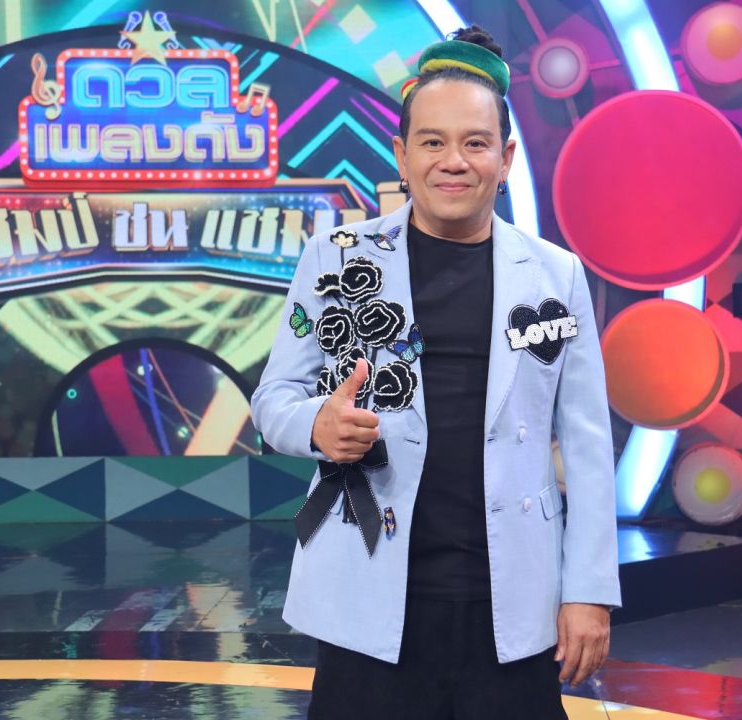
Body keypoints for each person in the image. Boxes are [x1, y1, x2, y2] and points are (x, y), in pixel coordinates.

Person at [250, 26, 620, 719]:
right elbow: (274, 399)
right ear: (402, 154)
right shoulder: (336, 257)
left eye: (476, 143)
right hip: (368, 592)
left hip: (513, 598)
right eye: (432, 142)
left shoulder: (554, 275)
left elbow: (588, 443)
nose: (454, 162)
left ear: (505, 158)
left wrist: (589, 590)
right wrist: (319, 425)